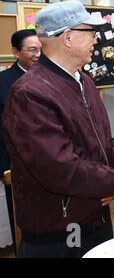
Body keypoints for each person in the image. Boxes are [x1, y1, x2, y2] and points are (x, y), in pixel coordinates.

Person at [2, 0, 114, 258]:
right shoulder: (29, 93)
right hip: (58, 229)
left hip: (96, 214)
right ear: (68, 38)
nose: (96, 40)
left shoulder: (85, 81)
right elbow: (58, 167)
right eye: (90, 33)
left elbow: (105, 137)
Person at [0, 29, 41, 251]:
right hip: (15, 162)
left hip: (48, 161)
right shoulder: (3, 82)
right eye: (32, 50)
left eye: (41, 49)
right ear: (16, 52)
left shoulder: (50, 76)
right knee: (21, 218)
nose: (38, 55)